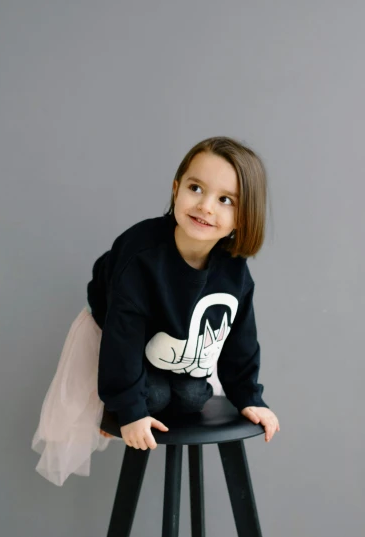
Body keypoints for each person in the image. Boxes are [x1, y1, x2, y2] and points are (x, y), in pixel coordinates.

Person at [32, 136, 280, 486]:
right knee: (155, 397)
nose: (206, 206)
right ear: (177, 188)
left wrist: (249, 397)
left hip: (173, 341)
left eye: (226, 200)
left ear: (244, 216)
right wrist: (129, 409)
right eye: (196, 188)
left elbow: (240, 337)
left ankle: (157, 385)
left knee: (193, 396)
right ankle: (131, 393)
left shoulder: (234, 270)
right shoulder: (141, 256)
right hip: (121, 339)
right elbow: (122, 335)